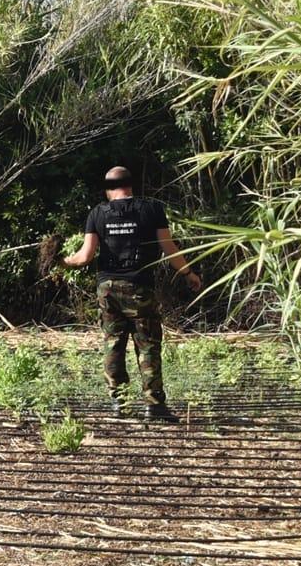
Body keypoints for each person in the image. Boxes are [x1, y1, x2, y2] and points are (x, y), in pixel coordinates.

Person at [63, 166, 203, 421]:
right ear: (130, 186)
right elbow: (169, 249)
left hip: (108, 290)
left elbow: (84, 257)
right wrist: (188, 273)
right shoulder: (152, 210)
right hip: (140, 288)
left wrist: (63, 261)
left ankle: (120, 404)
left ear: (108, 188)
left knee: (113, 345)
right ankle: (154, 406)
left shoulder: (97, 213)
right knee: (148, 345)